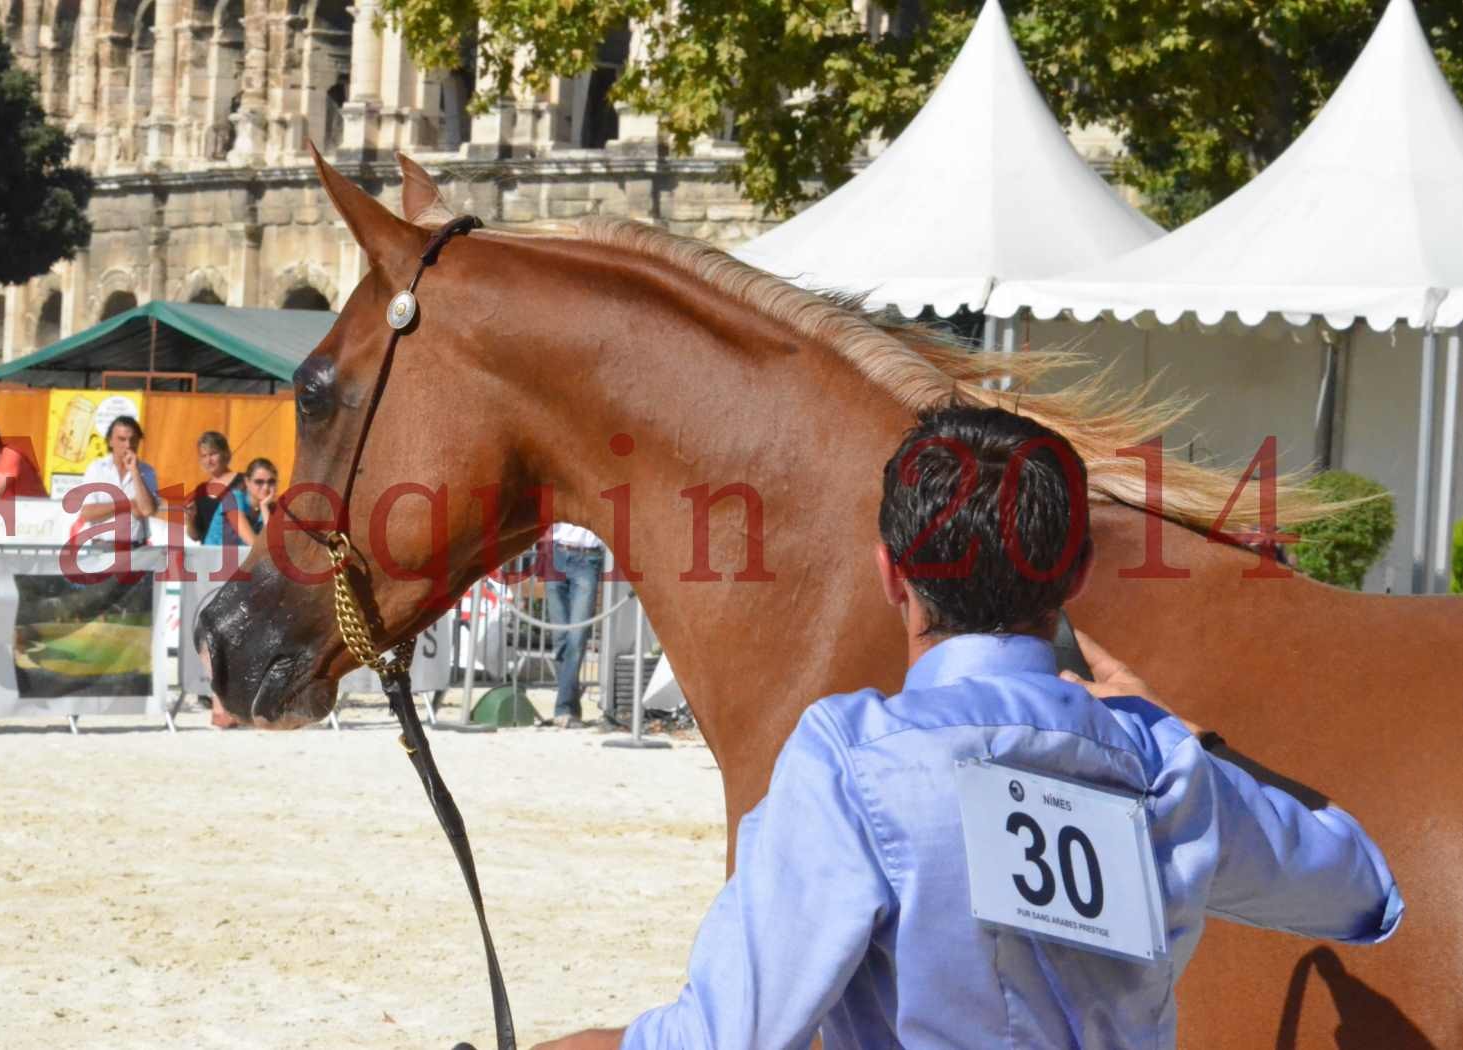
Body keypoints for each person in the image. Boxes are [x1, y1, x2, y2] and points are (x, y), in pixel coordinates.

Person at [536, 403, 1402, 1050]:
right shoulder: (1159, 762)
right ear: (1077, 574)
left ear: (889, 574)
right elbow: (1362, 890)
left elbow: (731, 1035)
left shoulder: (851, 760)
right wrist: (1177, 734)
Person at [545, 522, 604, 728]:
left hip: (588, 557)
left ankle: (562, 708)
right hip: (557, 553)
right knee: (560, 640)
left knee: (576, 639)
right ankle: (571, 707)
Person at [75, 416, 158, 546]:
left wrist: (135, 472)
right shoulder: (96, 469)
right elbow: (87, 513)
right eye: (122, 439)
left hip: (136, 547)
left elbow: (147, 510)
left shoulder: (146, 471)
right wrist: (127, 504)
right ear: (110, 441)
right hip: (103, 546)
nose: (128, 445)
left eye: (133, 440)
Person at [204, 457, 276, 547]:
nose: (266, 487)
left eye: (271, 482)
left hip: (239, 558)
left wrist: (265, 508)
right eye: (259, 482)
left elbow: (275, 547)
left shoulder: (271, 508)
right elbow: (255, 546)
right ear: (247, 481)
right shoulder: (232, 499)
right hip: (212, 557)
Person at [187, 431, 243, 543]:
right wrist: (190, 518)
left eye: (213, 454)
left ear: (225, 454)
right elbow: (195, 536)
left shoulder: (243, 481)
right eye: (204, 456)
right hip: (209, 555)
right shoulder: (200, 490)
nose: (208, 460)